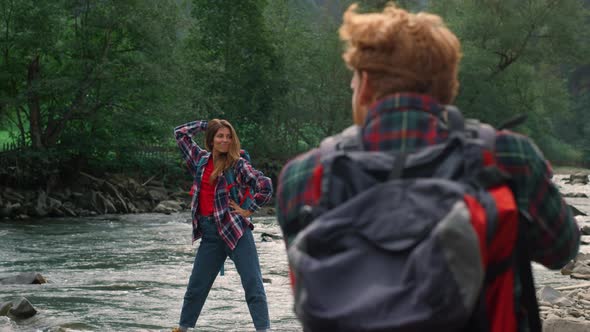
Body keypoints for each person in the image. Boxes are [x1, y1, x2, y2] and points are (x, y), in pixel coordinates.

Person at [276, 3, 580, 331]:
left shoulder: (303, 176)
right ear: (448, 88)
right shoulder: (507, 156)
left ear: (364, 84)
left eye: (353, 81)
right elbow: (560, 250)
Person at [172, 119, 273, 332]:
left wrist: (249, 209)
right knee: (196, 288)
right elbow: (180, 134)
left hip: (236, 231)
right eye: (220, 136)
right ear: (211, 139)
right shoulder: (200, 160)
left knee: (253, 285)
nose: (225, 140)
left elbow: (265, 185)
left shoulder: (237, 164)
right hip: (210, 235)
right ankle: (183, 329)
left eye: (228, 136)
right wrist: (206, 124)